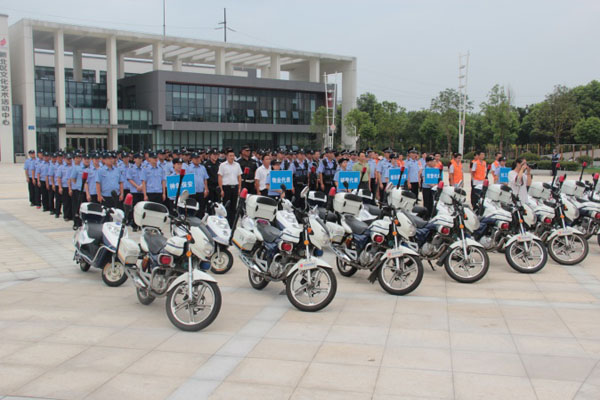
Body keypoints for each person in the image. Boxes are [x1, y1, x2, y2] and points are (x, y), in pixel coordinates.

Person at [218, 149, 243, 227]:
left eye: (233, 156)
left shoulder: (237, 165)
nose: (232, 157)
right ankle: (226, 223)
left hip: (235, 187)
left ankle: (232, 224)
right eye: (230, 156)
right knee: (226, 206)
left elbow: (239, 177)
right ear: (226, 156)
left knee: (233, 207)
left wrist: (239, 188)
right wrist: (221, 189)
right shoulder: (222, 165)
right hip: (226, 187)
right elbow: (220, 177)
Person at [188, 152, 209, 218]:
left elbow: (205, 179)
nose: (197, 160)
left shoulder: (202, 168)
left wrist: (206, 189)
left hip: (201, 191)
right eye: (195, 158)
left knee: (201, 208)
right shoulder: (188, 168)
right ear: (192, 159)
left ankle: (200, 220)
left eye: (198, 158)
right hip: (192, 192)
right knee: (192, 208)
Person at [127, 153, 144, 229]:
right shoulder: (131, 169)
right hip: (134, 191)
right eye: (138, 158)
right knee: (135, 208)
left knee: (142, 208)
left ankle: (140, 224)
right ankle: (134, 224)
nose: (140, 160)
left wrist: (142, 186)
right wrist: (137, 186)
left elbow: (146, 179)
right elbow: (129, 179)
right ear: (134, 159)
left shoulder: (144, 168)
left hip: (142, 191)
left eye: (141, 158)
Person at [58, 154, 73, 221]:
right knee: (66, 202)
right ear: (64, 159)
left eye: (70, 159)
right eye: (67, 159)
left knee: (72, 202)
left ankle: (72, 215)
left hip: (73, 187)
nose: (69, 160)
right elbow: (59, 178)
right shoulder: (61, 167)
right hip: (65, 186)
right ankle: (66, 215)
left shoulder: (74, 167)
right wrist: (60, 187)